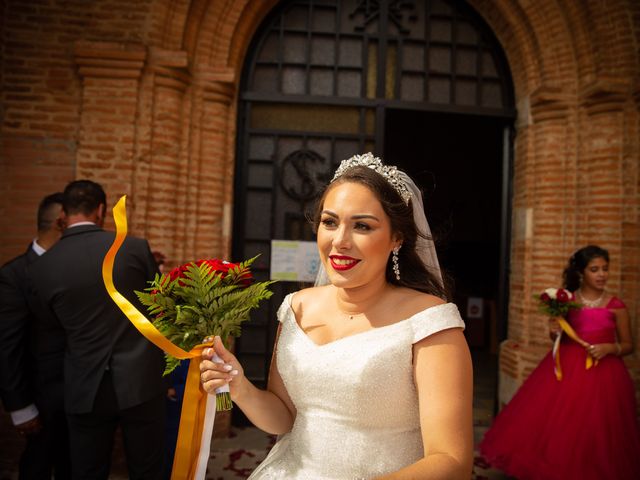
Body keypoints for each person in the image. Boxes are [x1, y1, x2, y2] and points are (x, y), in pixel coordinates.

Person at [200, 153, 474, 479]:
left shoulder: (431, 323)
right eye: (330, 222)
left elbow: (452, 461)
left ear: (396, 238)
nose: (340, 241)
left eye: (362, 226)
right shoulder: (296, 308)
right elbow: (285, 418)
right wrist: (240, 387)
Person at [28, 180, 167, 480]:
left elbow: (50, 324)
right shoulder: (133, 247)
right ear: (101, 210)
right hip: (141, 381)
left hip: (84, 384)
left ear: (63, 213)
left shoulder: (41, 267)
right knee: (149, 470)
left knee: (87, 472)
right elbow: (159, 306)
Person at [479, 245, 640, 479]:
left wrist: (610, 348)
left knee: (599, 429)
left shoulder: (616, 306)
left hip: (605, 373)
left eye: (605, 269)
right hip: (566, 369)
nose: (602, 274)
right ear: (581, 273)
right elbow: (557, 337)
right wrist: (554, 331)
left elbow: (629, 345)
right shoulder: (568, 301)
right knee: (563, 425)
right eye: (595, 269)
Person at [0, 192, 71, 479]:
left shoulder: (74, 269)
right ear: (62, 222)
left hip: (76, 399)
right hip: (39, 401)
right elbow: (7, 345)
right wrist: (19, 406)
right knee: (37, 466)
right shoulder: (14, 274)